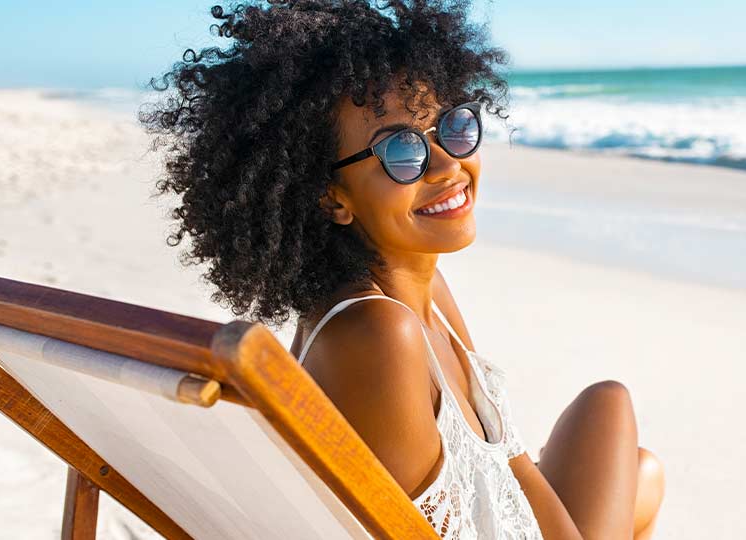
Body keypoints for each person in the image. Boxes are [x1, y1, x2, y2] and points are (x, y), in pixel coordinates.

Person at [140, 1, 663, 537]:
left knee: (616, 418)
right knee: (636, 481)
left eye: (452, 126)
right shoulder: (376, 334)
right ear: (330, 197)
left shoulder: (424, 286)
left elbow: (510, 462)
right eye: (400, 150)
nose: (447, 164)